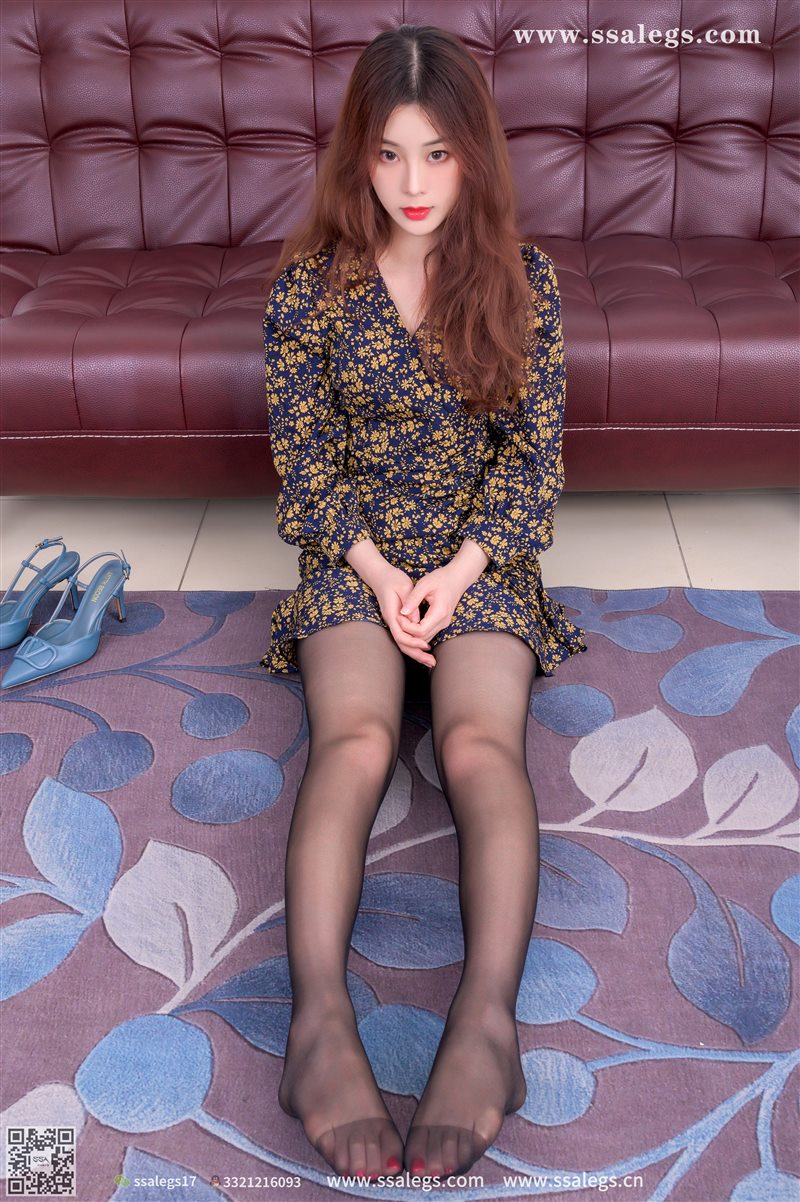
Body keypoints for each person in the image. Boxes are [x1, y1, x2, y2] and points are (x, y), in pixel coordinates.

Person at [258, 24, 589, 1183]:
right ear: (357, 154)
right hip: (354, 559)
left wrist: (455, 573)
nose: (411, 183)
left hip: (476, 559)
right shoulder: (310, 289)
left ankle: (486, 1021)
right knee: (351, 739)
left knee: (476, 745)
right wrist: (379, 572)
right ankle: (315, 1022)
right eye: (389, 153)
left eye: (437, 154)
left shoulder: (522, 281)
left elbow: (530, 460)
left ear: (472, 157)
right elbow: (304, 461)